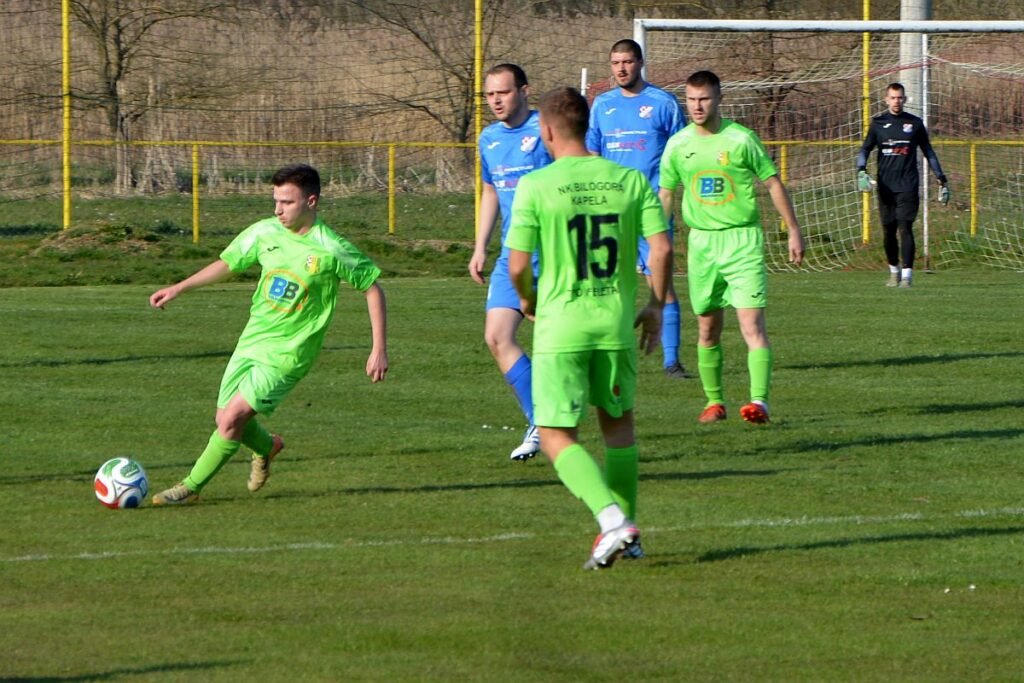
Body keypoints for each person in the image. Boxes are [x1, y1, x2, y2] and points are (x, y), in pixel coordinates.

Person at [148, 163, 388, 504]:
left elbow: (372, 288)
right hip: (252, 341)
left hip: (290, 352)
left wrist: (378, 349)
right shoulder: (264, 232)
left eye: (287, 202)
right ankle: (267, 446)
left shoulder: (331, 247)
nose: (278, 209)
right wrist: (179, 288)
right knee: (224, 418)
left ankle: (190, 488)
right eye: (276, 201)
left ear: (311, 202)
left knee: (231, 420)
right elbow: (229, 263)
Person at [506, 86, 672, 569]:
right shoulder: (629, 180)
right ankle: (629, 534)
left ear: (547, 130)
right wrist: (656, 305)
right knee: (618, 429)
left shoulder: (537, 185)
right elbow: (661, 249)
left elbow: (518, 264)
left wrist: (528, 298)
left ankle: (612, 519)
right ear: (587, 127)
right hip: (615, 326)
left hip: (561, 328)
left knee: (555, 434)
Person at [658, 70, 804, 425]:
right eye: (691, 99)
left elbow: (772, 183)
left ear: (719, 99)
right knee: (707, 328)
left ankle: (759, 402)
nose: (697, 106)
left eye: (704, 99)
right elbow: (666, 194)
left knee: (751, 324)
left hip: (742, 241)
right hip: (702, 244)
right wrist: (657, 239)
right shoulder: (678, 145)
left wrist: (793, 230)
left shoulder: (741, 139)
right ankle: (714, 402)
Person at [586, 38, 690, 379]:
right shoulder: (602, 105)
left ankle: (672, 362)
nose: (621, 68)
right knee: (605, 288)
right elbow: (593, 156)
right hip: (611, 211)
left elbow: (681, 153)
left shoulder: (663, 103)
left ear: (640, 62)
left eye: (627, 61)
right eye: (616, 62)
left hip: (651, 212)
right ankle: (605, 356)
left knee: (660, 286)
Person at [469, 64, 553, 461]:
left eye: (502, 92)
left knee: (557, 345)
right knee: (496, 336)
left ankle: (567, 419)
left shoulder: (545, 129)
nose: (495, 101)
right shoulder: (488, 138)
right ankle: (541, 421)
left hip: (552, 253)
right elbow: (490, 190)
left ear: (524, 90)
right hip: (510, 254)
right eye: (489, 95)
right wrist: (480, 246)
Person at [856, 82, 949, 288]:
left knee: (905, 227)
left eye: (900, 98)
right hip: (885, 187)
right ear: (886, 100)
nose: (896, 101)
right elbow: (865, 149)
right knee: (888, 230)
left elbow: (928, 152)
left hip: (908, 185)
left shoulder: (914, 123)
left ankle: (907, 277)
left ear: (904, 99)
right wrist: (861, 170)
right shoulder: (878, 123)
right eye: (893, 98)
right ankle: (893, 272)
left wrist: (941, 178)